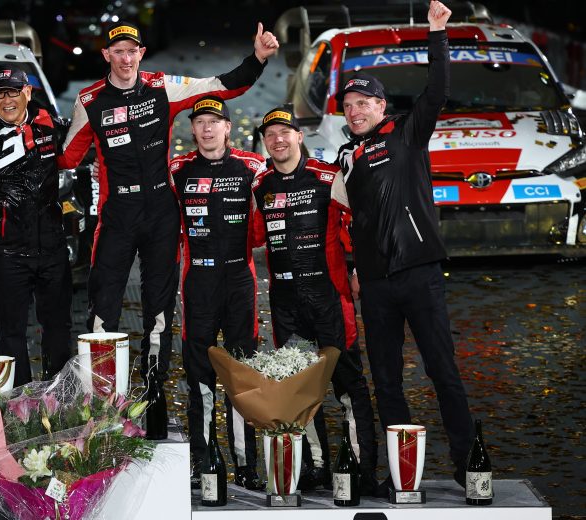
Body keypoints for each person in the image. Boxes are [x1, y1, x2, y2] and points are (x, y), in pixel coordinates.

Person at [58, 22, 278, 390]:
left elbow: (220, 85)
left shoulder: (162, 86)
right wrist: (57, 139)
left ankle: (154, 387)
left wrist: (257, 58)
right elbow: (66, 157)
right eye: (118, 51)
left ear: (141, 53)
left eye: (132, 51)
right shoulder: (90, 100)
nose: (125, 59)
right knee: (103, 304)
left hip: (161, 212)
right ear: (106, 54)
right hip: (117, 214)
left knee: (158, 307)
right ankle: (99, 393)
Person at [336, 0, 474, 489]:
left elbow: (437, 90)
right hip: (375, 285)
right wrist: (353, 265)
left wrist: (437, 33)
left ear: (380, 106)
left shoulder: (408, 132)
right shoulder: (345, 156)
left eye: (363, 103)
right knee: (387, 382)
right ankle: (403, 475)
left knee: (443, 372)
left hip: (419, 271)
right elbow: (346, 219)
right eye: (348, 106)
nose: (355, 111)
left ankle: (468, 464)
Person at [251, 105, 379, 495]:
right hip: (286, 304)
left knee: (349, 386)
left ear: (299, 136)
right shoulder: (261, 187)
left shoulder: (328, 176)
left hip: (329, 300)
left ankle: (362, 470)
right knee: (300, 390)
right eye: (270, 135)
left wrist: (360, 270)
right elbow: (253, 237)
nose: (277, 140)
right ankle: (316, 467)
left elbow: (364, 221)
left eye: (284, 132)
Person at [169, 96, 265, 491]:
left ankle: (246, 465)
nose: (207, 128)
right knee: (200, 379)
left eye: (214, 122)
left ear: (228, 127)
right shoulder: (178, 169)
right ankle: (204, 460)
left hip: (240, 282)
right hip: (198, 284)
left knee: (242, 377)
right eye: (200, 122)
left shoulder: (253, 167)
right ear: (192, 129)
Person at [0, 65, 73, 386]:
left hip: (52, 248)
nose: (7, 101)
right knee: (11, 334)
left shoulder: (49, 122)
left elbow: (83, 143)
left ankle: (60, 399)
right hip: (7, 253)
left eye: (13, 92)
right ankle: (20, 406)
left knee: (59, 328)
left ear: (27, 92)